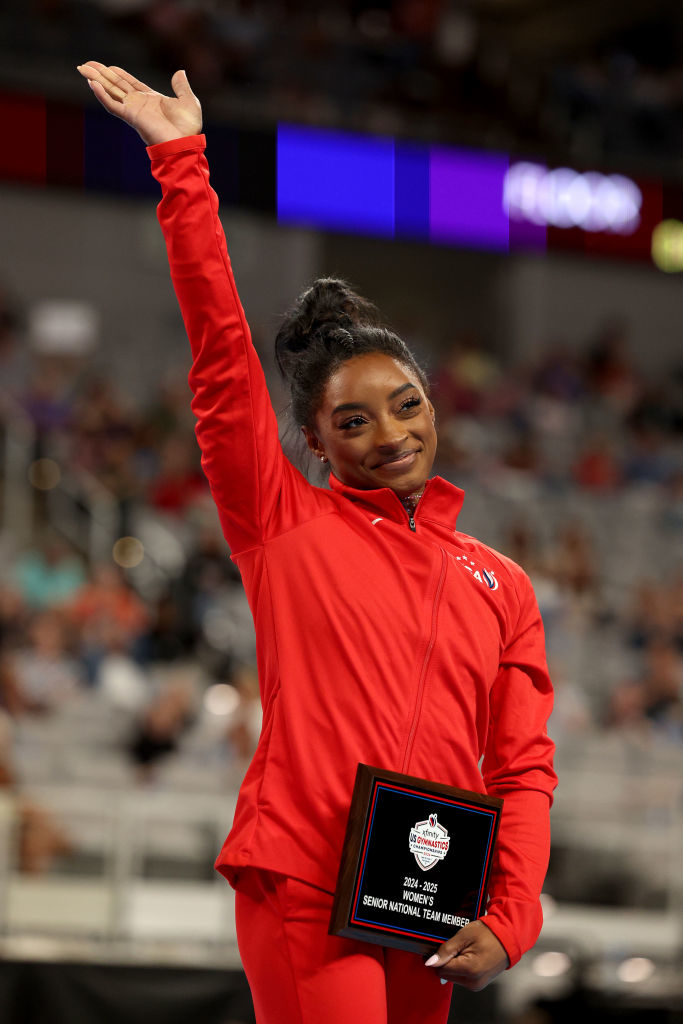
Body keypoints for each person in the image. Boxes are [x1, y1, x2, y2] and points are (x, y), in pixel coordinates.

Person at [76, 62, 557, 1024]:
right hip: (303, 874)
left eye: (406, 405)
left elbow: (521, 767)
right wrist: (182, 164)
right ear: (315, 442)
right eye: (354, 422)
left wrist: (511, 916)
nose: (391, 434)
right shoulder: (284, 523)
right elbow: (219, 352)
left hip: (425, 898)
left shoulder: (501, 583)